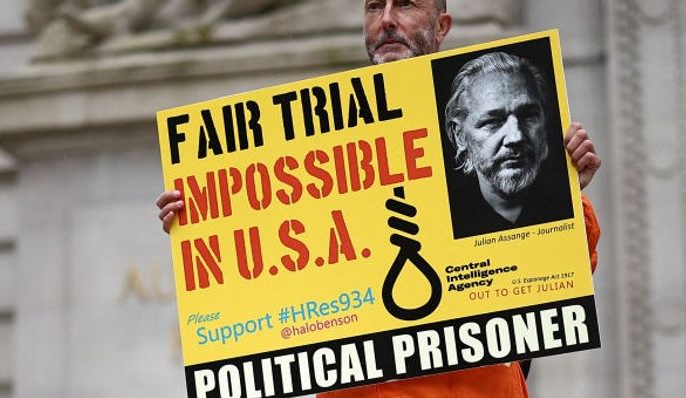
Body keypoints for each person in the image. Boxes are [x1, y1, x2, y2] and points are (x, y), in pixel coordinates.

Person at [154, 1, 602, 397]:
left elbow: (555, 283)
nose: (386, 20)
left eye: (405, 4)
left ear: (441, 25)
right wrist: (202, 219)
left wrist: (565, 194)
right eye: (373, 7)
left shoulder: (494, 143)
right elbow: (265, 282)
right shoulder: (314, 146)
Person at [444, 51, 574, 238]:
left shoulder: (568, 202)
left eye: (528, 116)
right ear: (459, 135)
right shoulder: (444, 220)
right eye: (493, 121)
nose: (515, 137)